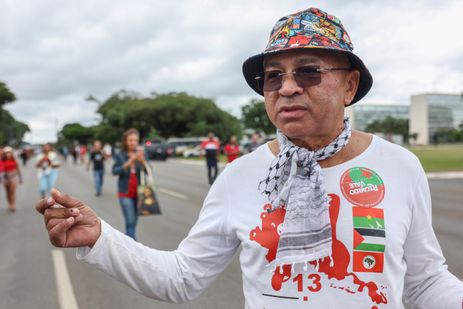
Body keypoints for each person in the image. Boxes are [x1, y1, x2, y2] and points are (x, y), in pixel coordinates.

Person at [36, 7, 463, 308]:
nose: (288, 86)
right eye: (273, 76)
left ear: (349, 86)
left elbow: (425, 282)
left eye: (309, 71)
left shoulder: (399, 166)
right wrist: (99, 238)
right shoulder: (240, 175)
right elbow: (182, 278)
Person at [111, 129, 146, 240]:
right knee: (130, 221)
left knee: (134, 221)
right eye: (130, 140)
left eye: (135, 140)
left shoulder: (141, 153)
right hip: (125, 192)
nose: (133, 142)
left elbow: (149, 170)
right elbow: (114, 171)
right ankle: (133, 248)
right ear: (125, 141)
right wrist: (128, 163)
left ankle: (128, 242)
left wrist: (142, 161)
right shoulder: (120, 154)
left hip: (139, 192)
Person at [2, 147, 22, 212]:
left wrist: (20, 178)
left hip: (13, 177)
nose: (8, 154)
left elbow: (18, 169)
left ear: (11, 153)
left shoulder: (14, 160)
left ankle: (13, 204)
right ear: (4, 154)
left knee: (12, 191)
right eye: (6, 153)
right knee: (7, 192)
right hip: (5, 178)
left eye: (9, 152)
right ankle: (9, 204)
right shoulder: (1, 161)